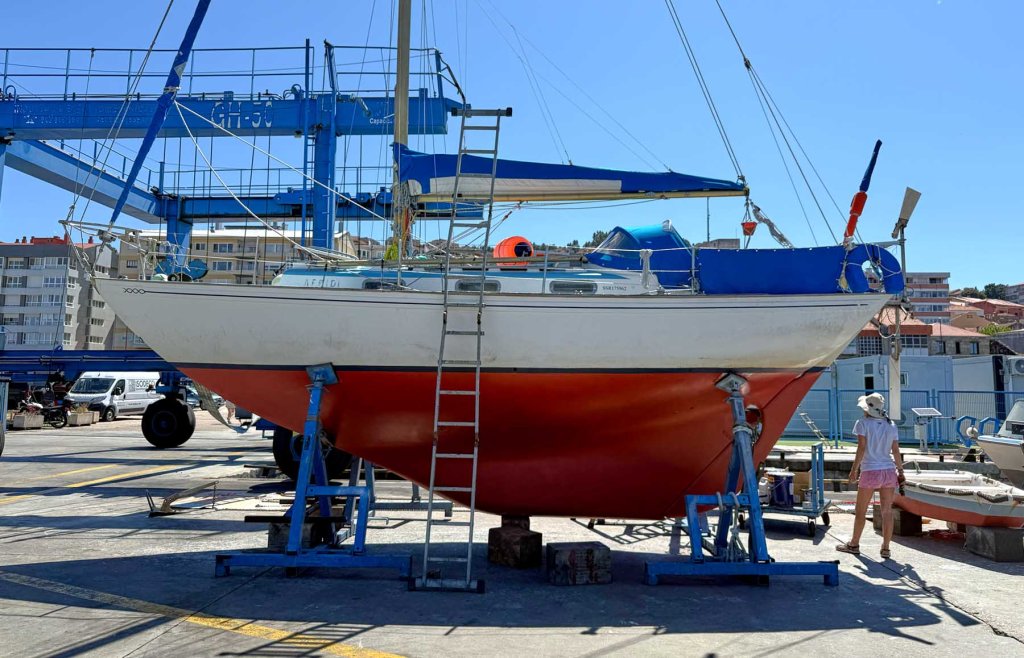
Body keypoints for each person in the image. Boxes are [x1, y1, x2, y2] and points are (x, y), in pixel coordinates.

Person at [836, 393, 905, 559]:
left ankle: (854, 544)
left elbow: (861, 448)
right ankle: (886, 548)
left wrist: (854, 470)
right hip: (888, 470)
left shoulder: (862, 423)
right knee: (887, 511)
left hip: (870, 470)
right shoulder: (891, 425)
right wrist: (901, 472)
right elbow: (896, 450)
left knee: (861, 511)